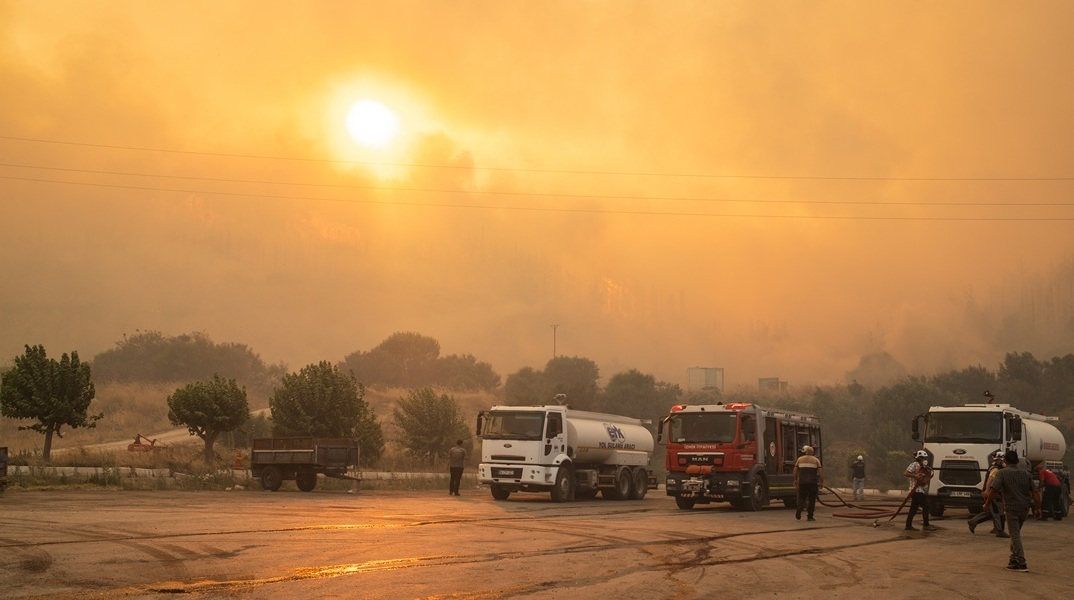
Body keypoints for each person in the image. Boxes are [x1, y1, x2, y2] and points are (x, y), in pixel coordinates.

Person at [982, 450, 1041, 572]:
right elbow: (1035, 492)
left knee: (1014, 535)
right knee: (1016, 533)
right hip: (1024, 508)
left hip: (1011, 508)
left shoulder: (1002, 473)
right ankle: (1013, 559)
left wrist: (987, 503)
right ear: (1018, 461)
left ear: (1005, 461)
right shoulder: (1026, 474)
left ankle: (1021, 562)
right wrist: (1038, 508)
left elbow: (993, 490)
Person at [968, 451, 1008, 537]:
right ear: (1000, 460)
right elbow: (990, 480)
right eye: (1004, 460)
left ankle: (994, 527)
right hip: (993, 493)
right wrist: (987, 492)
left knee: (992, 511)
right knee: (998, 512)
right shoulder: (996, 469)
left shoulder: (994, 467)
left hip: (992, 492)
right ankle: (1000, 530)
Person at [904, 450, 938, 531]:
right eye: (923, 458)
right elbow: (905, 473)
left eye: (925, 458)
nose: (925, 460)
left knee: (913, 509)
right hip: (916, 490)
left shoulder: (922, 466)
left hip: (919, 490)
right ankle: (926, 525)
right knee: (926, 506)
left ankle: (908, 526)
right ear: (919, 458)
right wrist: (915, 476)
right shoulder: (914, 464)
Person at [793, 445, 823, 521]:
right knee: (812, 500)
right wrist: (822, 481)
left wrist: (795, 479)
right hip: (813, 483)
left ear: (805, 452)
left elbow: (795, 470)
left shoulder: (800, 459)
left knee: (801, 498)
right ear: (812, 452)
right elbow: (820, 472)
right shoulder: (816, 460)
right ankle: (810, 516)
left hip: (802, 483)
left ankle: (798, 512)